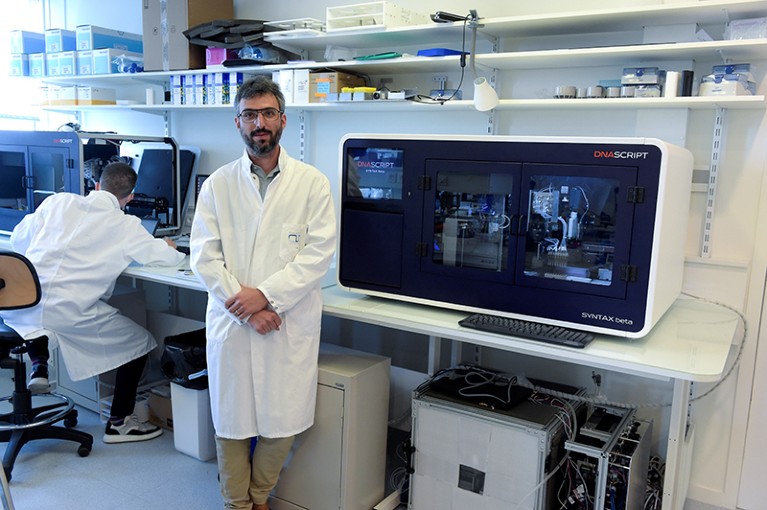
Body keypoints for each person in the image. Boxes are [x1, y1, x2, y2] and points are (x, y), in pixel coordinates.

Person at [189, 76, 336, 510]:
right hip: (237, 320)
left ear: (283, 120)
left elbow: (318, 255)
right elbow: (204, 256)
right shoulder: (217, 184)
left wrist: (268, 297)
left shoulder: (313, 183)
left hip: (285, 321)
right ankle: (238, 504)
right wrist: (249, 308)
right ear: (238, 122)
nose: (260, 122)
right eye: (250, 114)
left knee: (282, 420)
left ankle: (259, 497)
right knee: (232, 422)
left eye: (268, 113)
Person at [0, 162, 186, 444]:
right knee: (141, 343)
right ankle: (119, 423)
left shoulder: (58, 202)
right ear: (130, 198)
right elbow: (164, 257)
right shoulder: (125, 225)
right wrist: (170, 248)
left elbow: (18, 240)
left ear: (96, 186)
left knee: (43, 319)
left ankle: (40, 358)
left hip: (20, 304)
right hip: (69, 311)